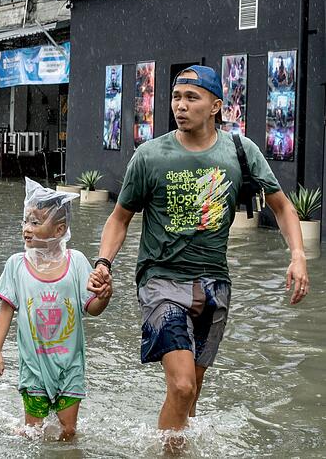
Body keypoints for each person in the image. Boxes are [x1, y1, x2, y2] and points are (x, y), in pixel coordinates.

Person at [88, 65, 308, 444]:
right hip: (161, 280)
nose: (181, 105)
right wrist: (104, 262)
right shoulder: (150, 155)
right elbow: (119, 218)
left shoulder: (240, 151)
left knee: (189, 397)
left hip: (214, 284)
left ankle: (175, 446)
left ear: (215, 106)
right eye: (176, 97)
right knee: (184, 386)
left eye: (192, 98)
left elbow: (282, 206)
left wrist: (298, 255)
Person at [0, 178, 112, 441]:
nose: (26, 229)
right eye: (26, 221)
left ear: (59, 230)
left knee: (67, 433)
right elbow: (6, 309)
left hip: (70, 365)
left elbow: (92, 307)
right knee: (34, 435)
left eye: (35, 222)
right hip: (33, 366)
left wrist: (104, 296)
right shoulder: (16, 265)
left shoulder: (76, 262)